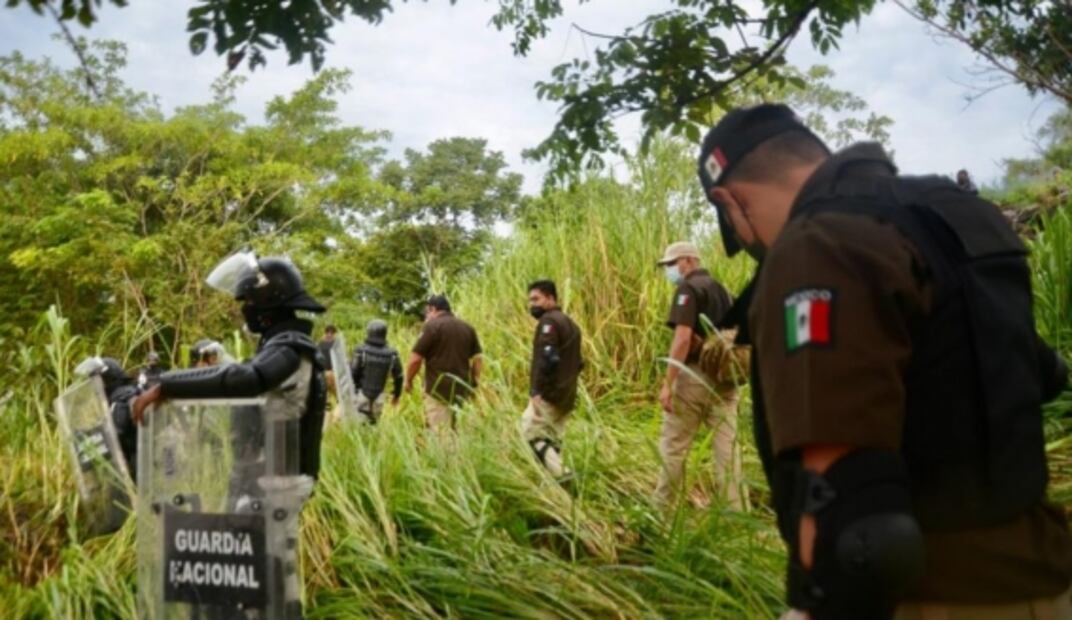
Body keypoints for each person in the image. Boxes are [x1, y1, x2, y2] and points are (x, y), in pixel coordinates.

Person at [697, 103, 1072, 618]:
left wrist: (817, 602)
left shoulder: (815, 245)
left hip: (929, 598)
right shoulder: (954, 216)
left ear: (729, 200)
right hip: (1043, 580)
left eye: (737, 231)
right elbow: (1038, 371)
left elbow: (845, 506)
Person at [132, 252, 328, 483]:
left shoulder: (289, 347)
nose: (246, 308)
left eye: (250, 301)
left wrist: (167, 385)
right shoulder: (285, 343)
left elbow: (246, 379)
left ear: (269, 301)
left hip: (280, 485)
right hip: (272, 476)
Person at [653, 241, 742, 509]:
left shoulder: (688, 289)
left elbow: (681, 339)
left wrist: (668, 383)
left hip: (694, 378)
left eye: (671, 264)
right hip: (726, 381)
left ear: (688, 261)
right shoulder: (723, 290)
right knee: (728, 452)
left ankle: (660, 513)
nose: (669, 270)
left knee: (674, 447)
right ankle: (737, 517)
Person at [522, 280, 583, 479]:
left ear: (550, 298)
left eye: (536, 299)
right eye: (530, 300)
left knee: (530, 434)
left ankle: (562, 475)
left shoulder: (549, 322)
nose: (532, 304)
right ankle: (554, 489)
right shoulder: (571, 324)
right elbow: (579, 363)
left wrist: (537, 391)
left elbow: (548, 356)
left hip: (550, 392)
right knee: (553, 439)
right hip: (567, 393)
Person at [404, 295, 482, 430]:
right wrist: (473, 382)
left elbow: (415, 359)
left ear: (433, 309)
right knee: (461, 432)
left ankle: (445, 451)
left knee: (442, 434)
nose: (426, 315)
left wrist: (408, 380)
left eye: (427, 311)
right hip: (462, 390)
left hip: (438, 390)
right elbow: (478, 359)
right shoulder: (468, 328)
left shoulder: (432, 327)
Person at [75, 356, 140, 481]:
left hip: (139, 459)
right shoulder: (124, 394)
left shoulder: (121, 397)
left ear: (109, 379)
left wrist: (89, 440)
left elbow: (116, 433)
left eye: (98, 380)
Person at [351, 319, 403, 423]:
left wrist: (352, 391)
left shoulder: (361, 351)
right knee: (374, 426)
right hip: (379, 397)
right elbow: (399, 376)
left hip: (360, 395)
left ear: (369, 332)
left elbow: (353, 373)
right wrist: (396, 395)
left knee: (357, 426)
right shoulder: (392, 354)